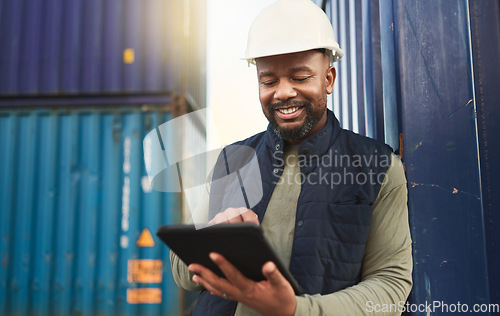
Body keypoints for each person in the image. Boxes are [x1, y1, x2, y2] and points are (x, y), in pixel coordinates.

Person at [170, 0, 413, 315]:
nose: (282, 92)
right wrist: (211, 238)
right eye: (268, 81)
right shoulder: (230, 161)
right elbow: (181, 274)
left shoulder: (378, 168)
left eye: (300, 77)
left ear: (328, 80)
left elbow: (390, 286)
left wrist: (295, 310)